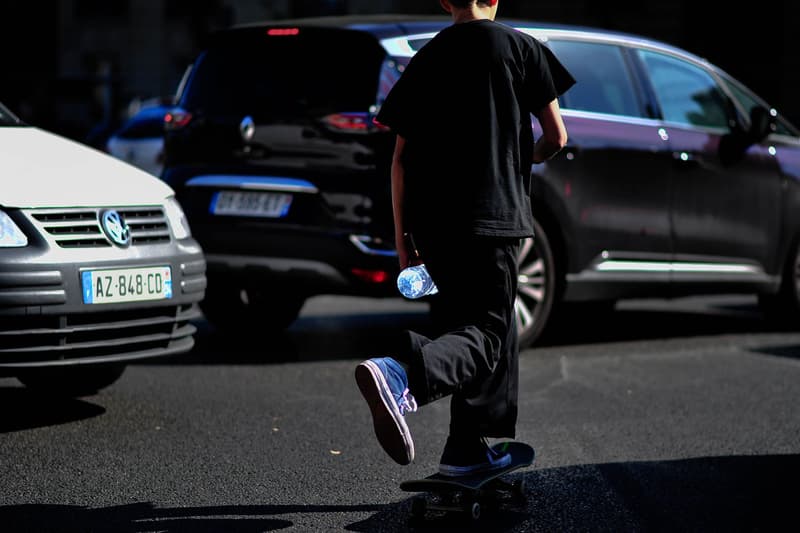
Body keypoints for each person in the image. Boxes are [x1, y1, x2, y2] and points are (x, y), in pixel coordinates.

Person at [354, 0, 575, 476]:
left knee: (464, 329)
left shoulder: (426, 57)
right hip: (494, 216)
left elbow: (399, 162)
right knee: (491, 334)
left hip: (435, 225)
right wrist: (522, 159)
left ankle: (465, 450)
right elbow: (556, 136)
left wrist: (403, 242)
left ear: (443, 1)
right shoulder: (522, 48)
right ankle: (400, 375)